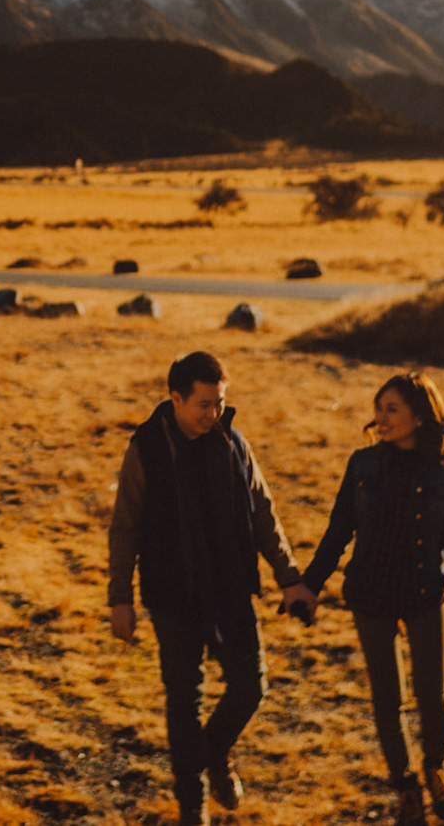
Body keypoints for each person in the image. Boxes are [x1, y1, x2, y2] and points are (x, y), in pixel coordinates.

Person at [107, 351, 316, 826]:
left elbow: (263, 513)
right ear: (175, 398)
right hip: (172, 594)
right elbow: (125, 527)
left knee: (251, 686)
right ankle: (192, 807)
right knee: (184, 697)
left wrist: (290, 578)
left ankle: (213, 751)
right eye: (204, 404)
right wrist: (120, 598)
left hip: (229, 587)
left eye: (220, 402)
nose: (214, 413)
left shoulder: (234, 445)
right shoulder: (146, 449)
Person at [302, 373, 444, 825]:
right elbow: (338, 530)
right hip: (370, 593)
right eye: (378, 408)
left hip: (425, 594)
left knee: (432, 695)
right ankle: (405, 786)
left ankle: (435, 770)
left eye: (392, 409)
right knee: (388, 697)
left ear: (418, 416)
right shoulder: (362, 465)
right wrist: (310, 583)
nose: (380, 418)